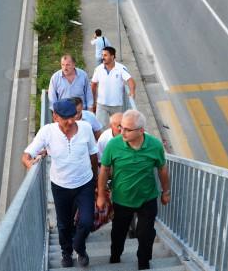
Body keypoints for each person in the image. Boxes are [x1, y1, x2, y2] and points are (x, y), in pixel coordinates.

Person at [21, 99, 98, 268]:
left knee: (86, 221)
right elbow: (27, 154)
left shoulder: (85, 128)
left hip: (85, 184)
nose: (70, 122)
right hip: (61, 186)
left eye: (73, 117)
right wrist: (29, 163)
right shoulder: (47, 132)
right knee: (64, 224)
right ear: (55, 116)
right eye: (65, 118)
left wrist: (95, 180)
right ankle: (66, 253)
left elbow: (93, 154)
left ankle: (80, 247)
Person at [97, 110, 170, 270]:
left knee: (145, 235)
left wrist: (166, 192)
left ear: (141, 131)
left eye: (127, 129)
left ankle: (143, 264)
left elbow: (162, 169)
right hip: (122, 200)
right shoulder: (114, 145)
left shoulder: (155, 145)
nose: (122, 132)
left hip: (147, 199)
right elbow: (104, 170)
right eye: (121, 127)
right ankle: (115, 257)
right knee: (118, 234)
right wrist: (101, 195)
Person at [91, 46, 136, 129]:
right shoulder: (98, 69)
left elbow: (130, 80)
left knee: (117, 127)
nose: (102, 57)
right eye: (102, 55)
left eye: (105, 55)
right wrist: (93, 102)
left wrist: (132, 92)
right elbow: (93, 84)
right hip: (102, 104)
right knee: (99, 127)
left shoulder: (121, 68)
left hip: (116, 105)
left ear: (112, 56)